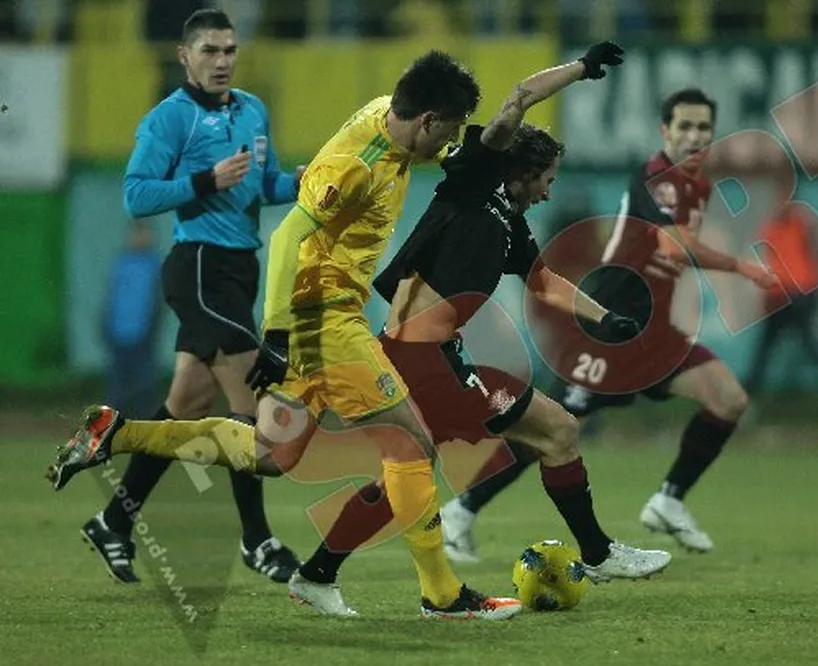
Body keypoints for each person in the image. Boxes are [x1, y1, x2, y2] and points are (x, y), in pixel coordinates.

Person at [49, 48, 528, 621]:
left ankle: (119, 433)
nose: (447, 141)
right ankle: (442, 596)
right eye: (447, 129)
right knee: (412, 443)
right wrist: (275, 334)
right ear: (426, 119)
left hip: (318, 321)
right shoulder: (354, 167)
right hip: (326, 321)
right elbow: (285, 240)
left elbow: (442, 150)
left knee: (269, 454)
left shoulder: (391, 118)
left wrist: (488, 138)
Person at [287, 43, 671, 606]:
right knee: (557, 431)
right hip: (420, 356)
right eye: (546, 179)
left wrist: (606, 318)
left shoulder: (511, 224)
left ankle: (317, 575)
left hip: (428, 356)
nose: (549, 191)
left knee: (405, 475)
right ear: (524, 172)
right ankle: (595, 552)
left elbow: (543, 282)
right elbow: (519, 98)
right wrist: (581, 68)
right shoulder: (474, 178)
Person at [438, 88, 778, 562]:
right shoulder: (656, 176)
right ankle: (461, 511)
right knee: (549, 431)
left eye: (703, 128)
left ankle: (668, 500)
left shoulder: (698, 187)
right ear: (665, 131)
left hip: (656, 333)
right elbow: (673, 245)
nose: (694, 136)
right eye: (684, 126)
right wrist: (740, 266)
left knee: (729, 399)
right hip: (610, 328)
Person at [75, 9, 304, 585]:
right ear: (184, 55)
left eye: (229, 50)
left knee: (184, 409)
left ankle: (112, 521)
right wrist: (204, 181)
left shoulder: (252, 110)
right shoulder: (169, 118)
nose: (222, 61)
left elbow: (266, 183)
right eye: (209, 50)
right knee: (252, 398)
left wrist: (301, 183)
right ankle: (257, 538)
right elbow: (136, 196)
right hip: (198, 267)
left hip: (238, 271)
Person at [744, 190, 818, 426]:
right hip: (787, 293)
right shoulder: (786, 223)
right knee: (796, 346)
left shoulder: (796, 222)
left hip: (792, 293)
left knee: (783, 346)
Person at [101, 221, 163, 420]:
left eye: (144, 233)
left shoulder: (154, 264)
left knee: (144, 387)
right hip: (119, 334)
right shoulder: (121, 262)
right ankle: (112, 429)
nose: (140, 238)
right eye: (136, 233)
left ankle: (146, 429)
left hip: (142, 335)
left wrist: (151, 329)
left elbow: (157, 301)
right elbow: (111, 298)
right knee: (117, 389)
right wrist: (106, 326)